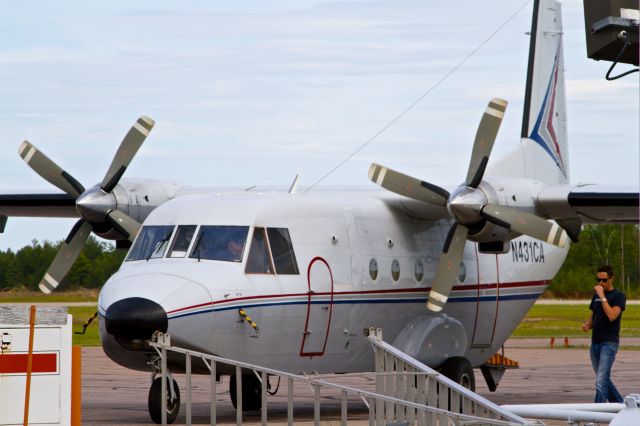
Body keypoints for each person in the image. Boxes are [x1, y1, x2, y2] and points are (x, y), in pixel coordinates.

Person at [581, 265, 626, 403]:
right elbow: (593, 314)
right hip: (595, 342)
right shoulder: (596, 297)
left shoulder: (618, 296)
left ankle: (596, 416)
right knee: (603, 379)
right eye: (598, 280)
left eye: (604, 280)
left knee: (600, 381)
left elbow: (612, 315)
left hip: (609, 343)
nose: (601, 283)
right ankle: (620, 407)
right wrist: (588, 325)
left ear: (611, 278)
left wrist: (602, 297)